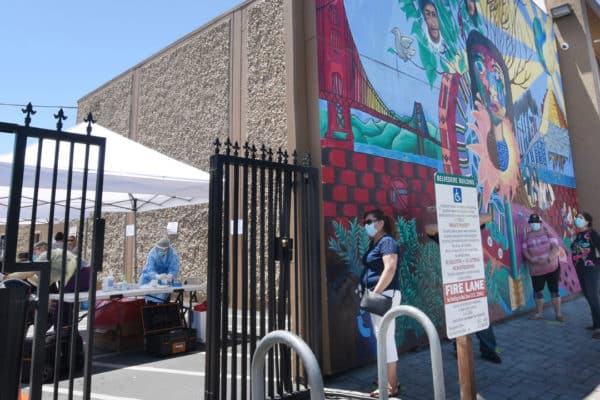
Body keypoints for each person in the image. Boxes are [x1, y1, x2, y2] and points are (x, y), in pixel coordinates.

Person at [425, 214, 502, 363]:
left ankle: (488, 350)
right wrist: (450, 227)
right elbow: (429, 229)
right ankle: (458, 348)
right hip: (455, 283)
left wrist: (463, 223)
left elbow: (488, 216)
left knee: (480, 316)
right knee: (459, 318)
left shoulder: (470, 227)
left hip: (473, 279)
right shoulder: (445, 234)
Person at [359, 209, 402, 398]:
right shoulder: (375, 243)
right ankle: (390, 379)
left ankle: (390, 386)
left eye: (369, 221)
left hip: (385, 295)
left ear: (380, 223)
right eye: (364, 223)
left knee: (385, 337)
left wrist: (374, 294)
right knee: (383, 336)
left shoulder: (387, 242)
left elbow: (390, 268)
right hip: (380, 294)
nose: (365, 225)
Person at [521, 213, 563, 321]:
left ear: (540, 223)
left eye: (536, 222)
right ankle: (539, 314)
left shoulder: (548, 233)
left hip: (552, 267)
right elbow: (525, 250)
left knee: (554, 291)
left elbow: (555, 248)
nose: (534, 224)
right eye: (532, 222)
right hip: (536, 270)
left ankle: (558, 314)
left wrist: (548, 259)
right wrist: (531, 259)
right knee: (538, 291)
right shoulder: (527, 236)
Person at [570, 212, 600, 339]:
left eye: (581, 218)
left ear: (587, 221)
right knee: (588, 296)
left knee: (593, 297)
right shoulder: (578, 235)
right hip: (580, 269)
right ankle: (595, 323)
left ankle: (599, 328)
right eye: (577, 217)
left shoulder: (592, 233)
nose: (578, 219)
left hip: (591, 269)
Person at [138, 237, 180, 304]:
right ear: (157, 248)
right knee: (150, 300)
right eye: (160, 250)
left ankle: (162, 313)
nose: (162, 252)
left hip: (164, 282)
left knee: (164, 300)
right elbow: (149, 269)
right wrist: (157, 276)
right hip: (150, 280)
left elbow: (174, 268)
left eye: (165, 250)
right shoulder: (152, 254)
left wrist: (170, 276)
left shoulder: (173, 254)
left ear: (168, 249)